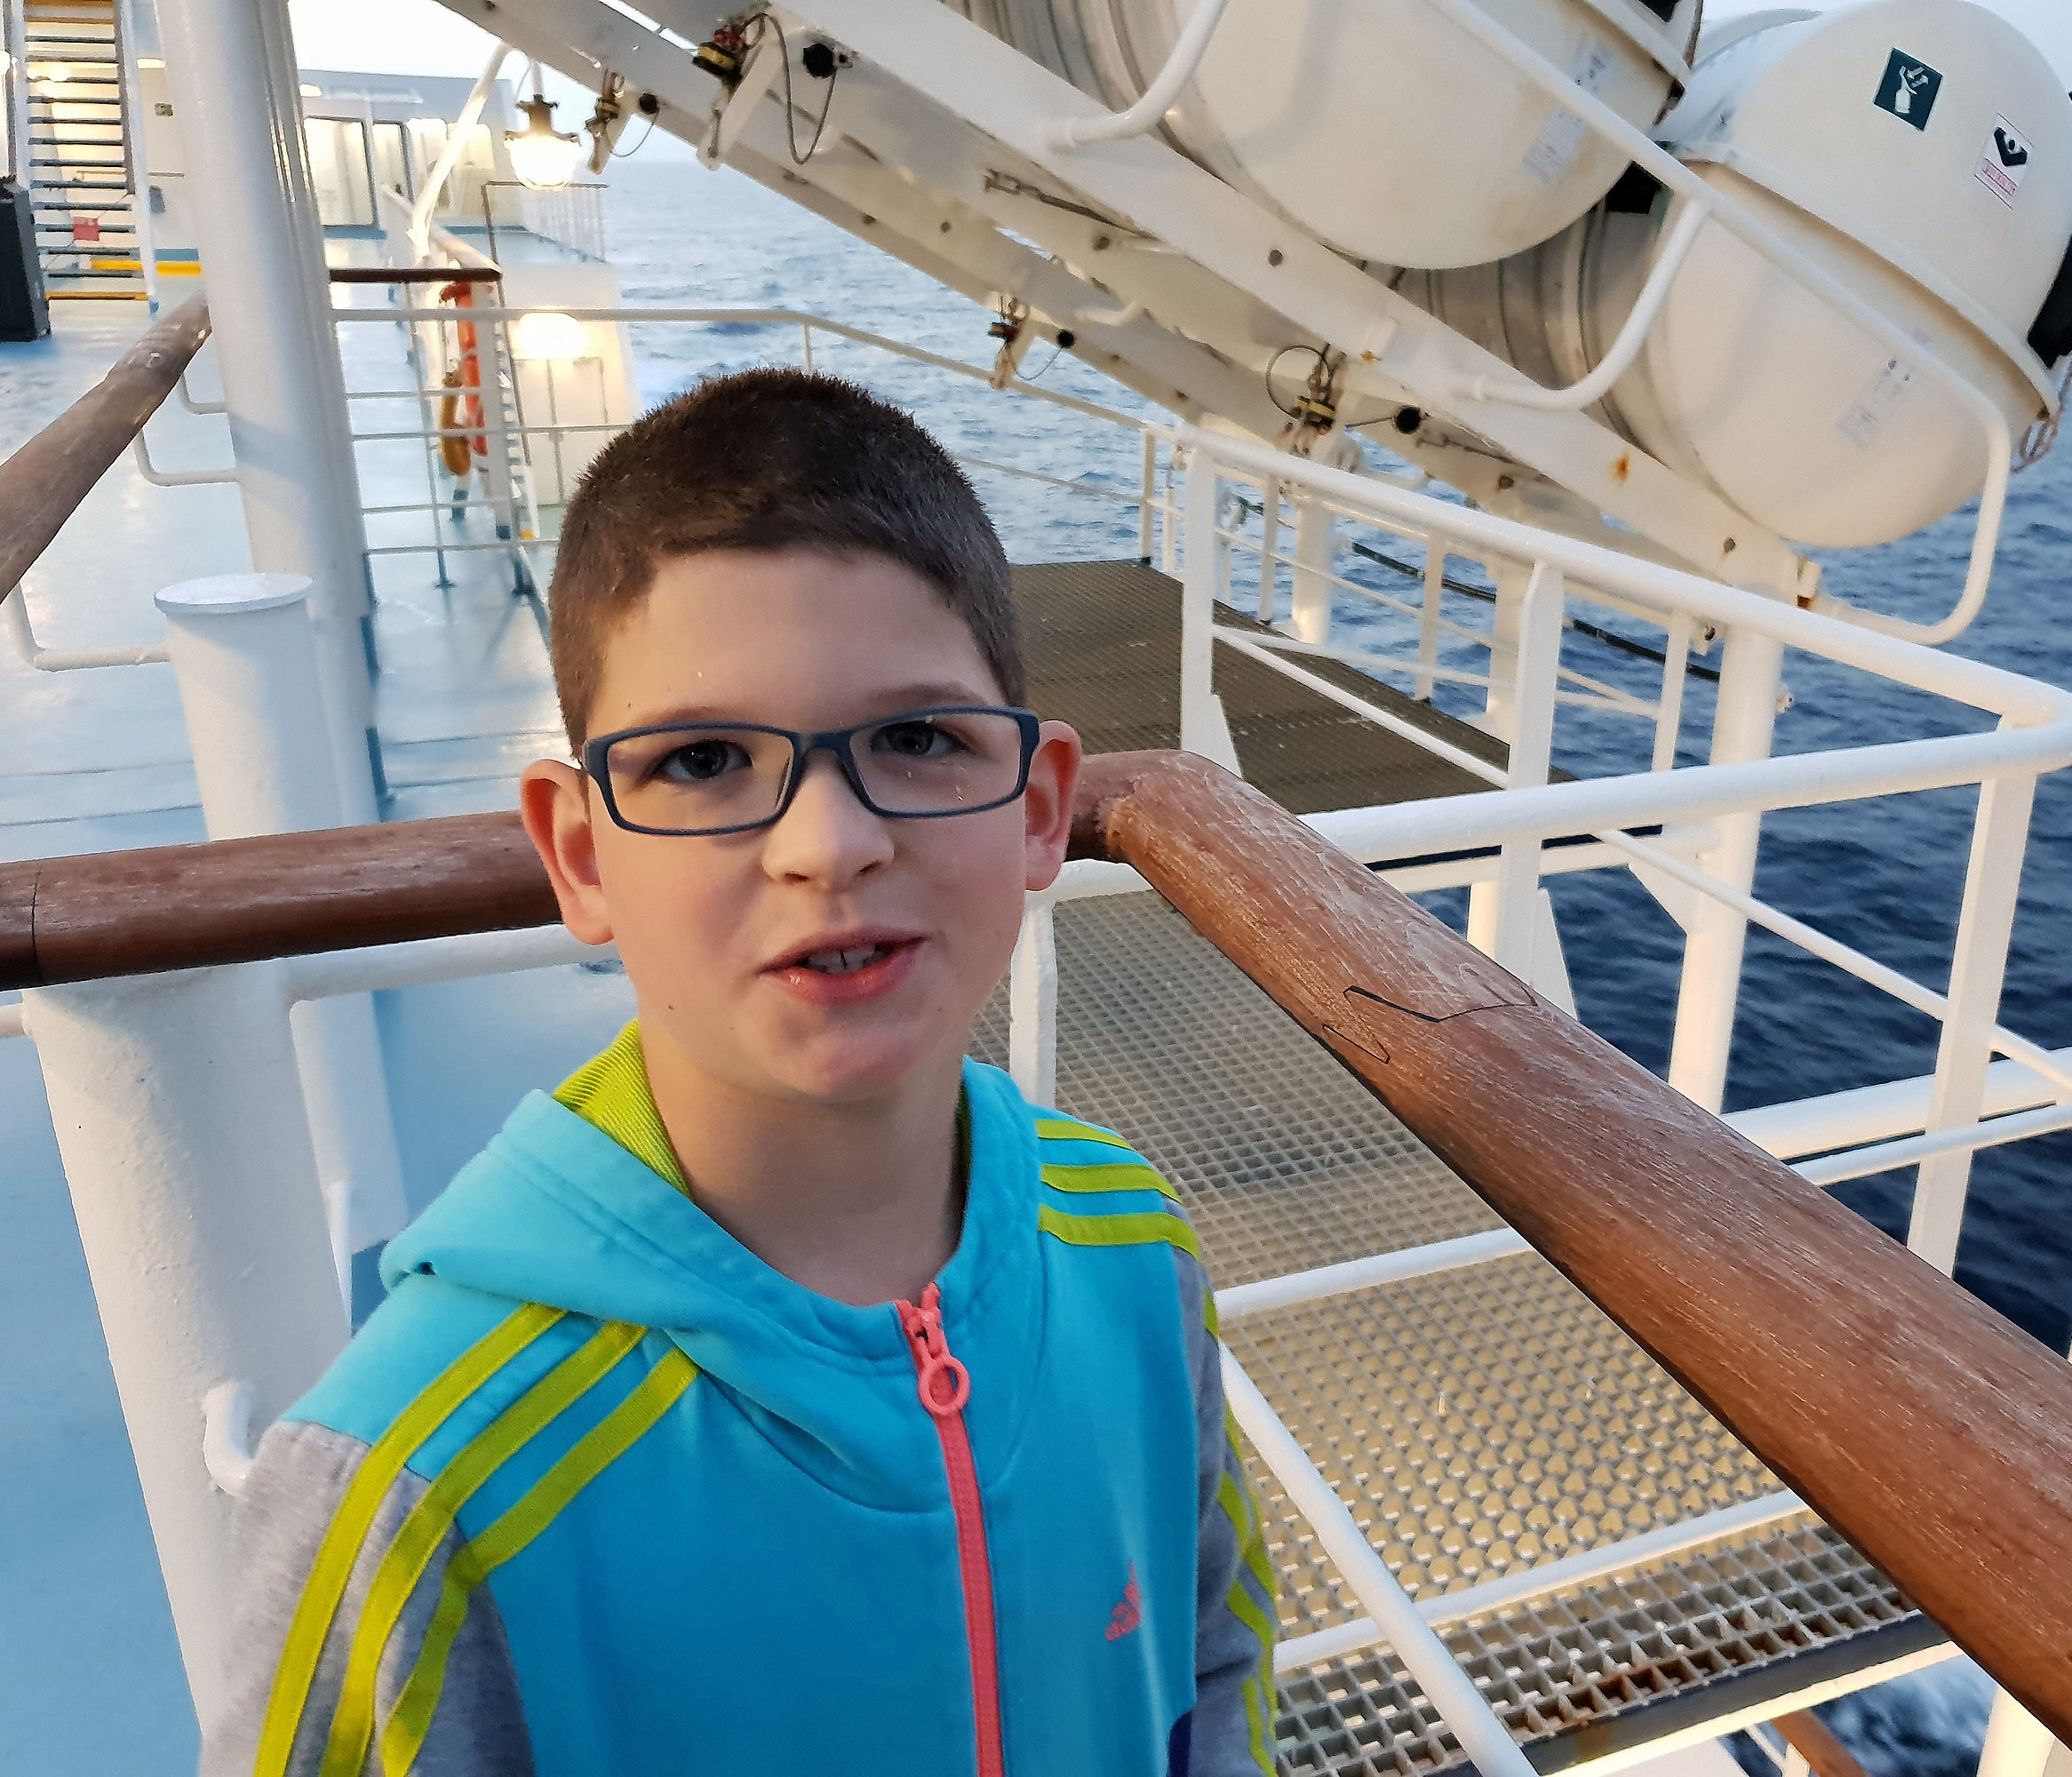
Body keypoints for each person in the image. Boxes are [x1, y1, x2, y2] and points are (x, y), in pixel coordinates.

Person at [203, 369, 1279, 1777]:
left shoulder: (1129, 1245)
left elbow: (1212, 1664)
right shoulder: (422, 1481)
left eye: (917, 739)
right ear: (581, 853)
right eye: (705, 758)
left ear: (1036, 810)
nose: (828, 846)